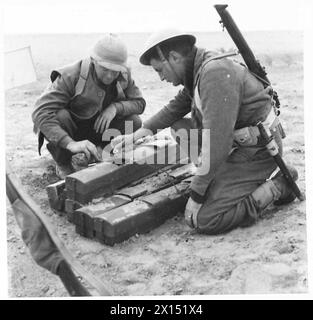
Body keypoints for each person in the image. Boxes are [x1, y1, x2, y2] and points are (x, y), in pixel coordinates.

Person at [111, 29, 299, 235]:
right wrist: (137, 135)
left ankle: (281, 184)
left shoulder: (214, 73)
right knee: (180, 127)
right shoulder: (200, 68)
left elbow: (217, 143)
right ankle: (215, 178)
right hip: (238, 144)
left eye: (159, 70)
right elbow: (176, 106)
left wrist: (197, 194)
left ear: (174, 57)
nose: (161, 78)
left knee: (204, 219)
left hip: (258, 150)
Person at [32, 33, 145, 179]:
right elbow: (40, 112)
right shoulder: (71, 75)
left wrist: (115, 108)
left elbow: (139, 103)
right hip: (72, 130)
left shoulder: (123, 74)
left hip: (98, 127)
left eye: (115, 71)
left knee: (133, 121)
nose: (110, 76)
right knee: (60, 116)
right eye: (105, 69)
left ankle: (99, 152)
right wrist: (70, 143)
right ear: (93, 61)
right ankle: (63, 162)